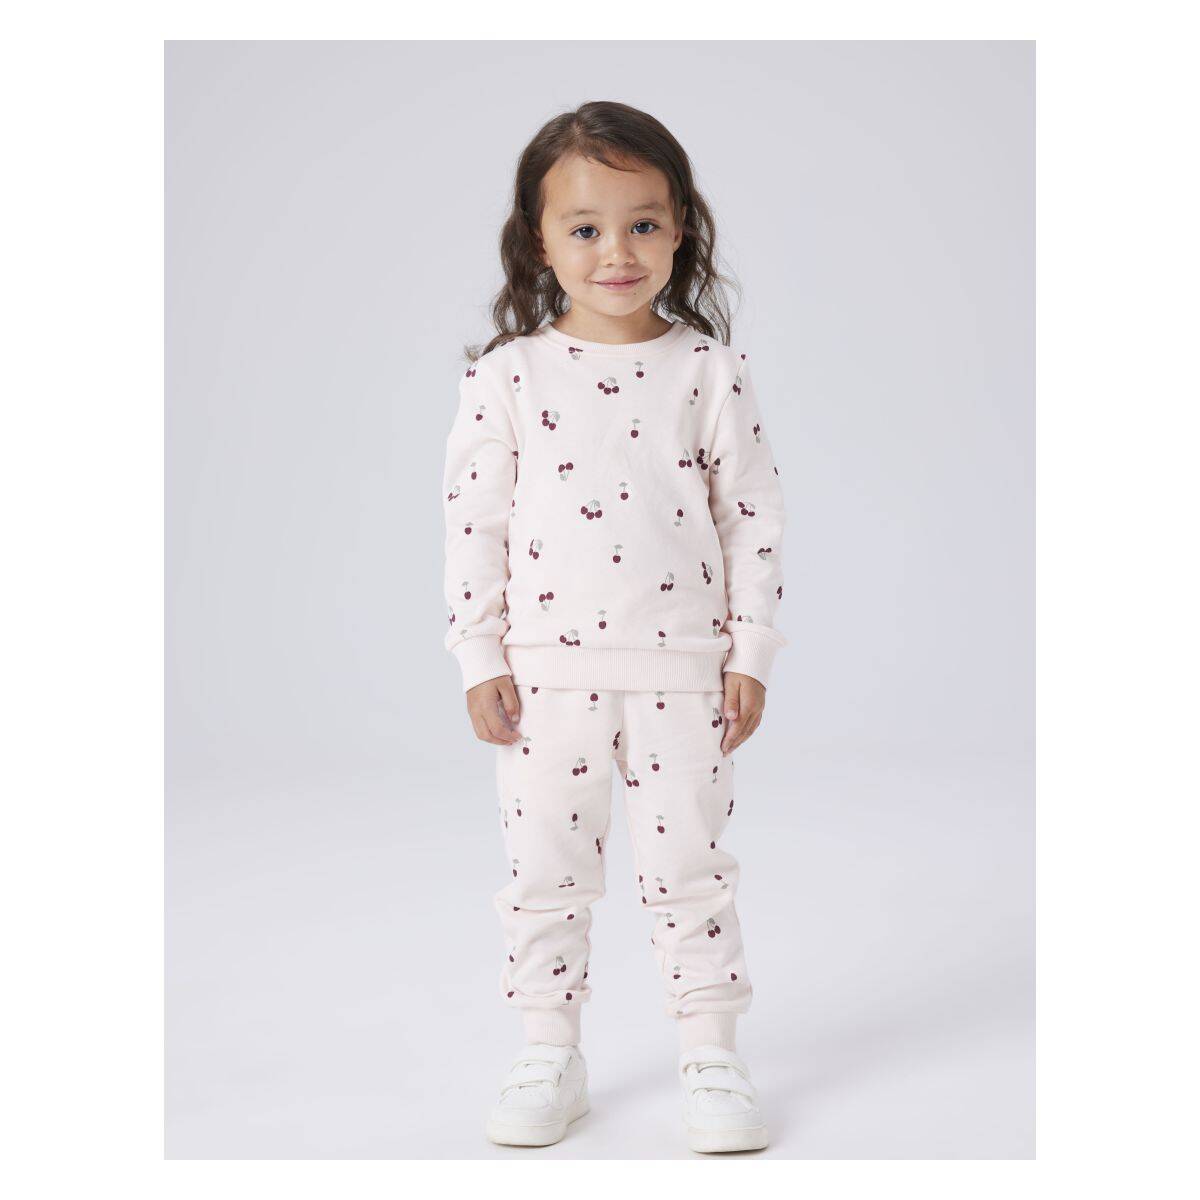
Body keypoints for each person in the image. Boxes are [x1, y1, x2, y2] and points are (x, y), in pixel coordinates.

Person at [441, 101, 786, 1154]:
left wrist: (751, 652)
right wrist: (479, 655)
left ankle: (712, 1055)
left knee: (692, 870)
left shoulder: (709, 371)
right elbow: (473, 522)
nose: (617, 252)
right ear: (538, 239)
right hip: (546, 677)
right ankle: (550, 1051)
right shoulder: (508, 376)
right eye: (586, 227)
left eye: (643, 223)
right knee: (545, 869)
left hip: (685, 671)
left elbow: (752, 517)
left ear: (681, 228)